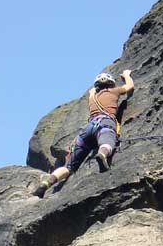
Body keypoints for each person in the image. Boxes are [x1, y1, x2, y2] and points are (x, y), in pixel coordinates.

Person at [32, 69, 134, 197]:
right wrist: (126, 75)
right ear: (111, 84)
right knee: (107, 142)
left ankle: (46, 183)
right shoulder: (114, 91)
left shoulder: (92, 97)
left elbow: (91, 92)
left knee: (68, 167)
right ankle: (102, 154)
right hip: (104, 123)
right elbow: (129, 86)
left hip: (88, 130)